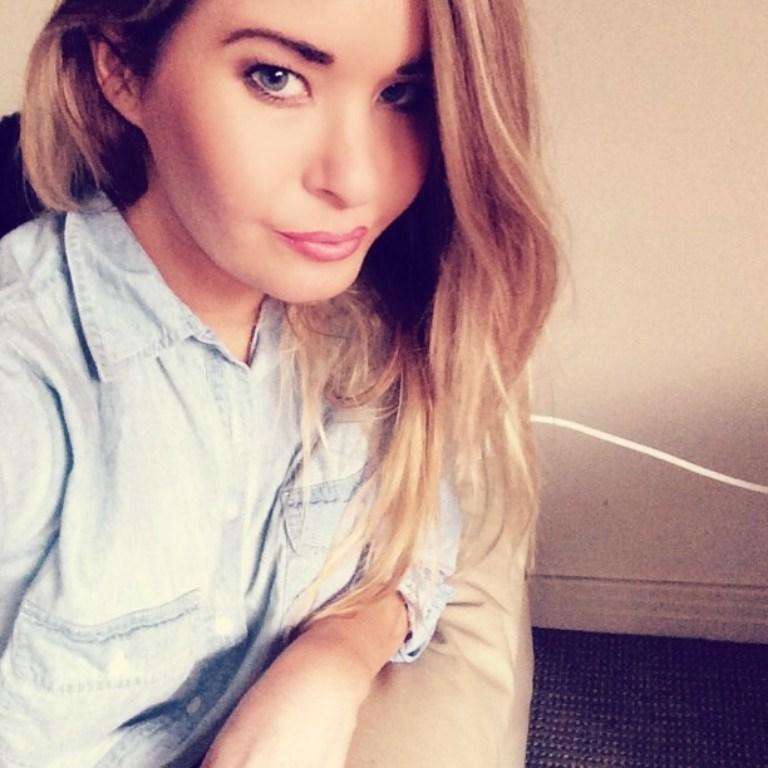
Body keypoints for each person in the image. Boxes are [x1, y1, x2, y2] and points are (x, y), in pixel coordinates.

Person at [0, 0, 560, 765]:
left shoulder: (369, 324)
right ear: (122, 70)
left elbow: (418, 537)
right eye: (275, 77)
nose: (355, 179)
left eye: (402, 93)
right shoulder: (28, 391)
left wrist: (336, 657)